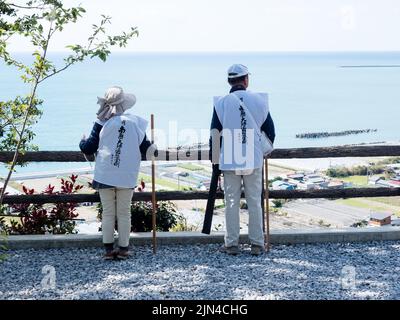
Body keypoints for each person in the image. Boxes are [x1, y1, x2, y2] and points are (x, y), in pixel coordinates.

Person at [79, 86, 156, 260]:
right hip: (126, 175)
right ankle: (123, 249)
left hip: (105, 174)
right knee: (124, 213)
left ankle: (108, 250)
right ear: (123, 105)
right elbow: (148, 149)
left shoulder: (100, 123)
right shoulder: (134, 123)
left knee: (107, 212)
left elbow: (88, 147)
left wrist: (81, 141)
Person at [209, 64, 275, 256]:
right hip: (253, 157)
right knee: (254, 201)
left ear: (229, 81)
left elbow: (215, 134)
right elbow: (270, 132)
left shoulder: (221, 103)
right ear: (246, 79)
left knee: (231, 201)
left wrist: (215, 162)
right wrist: (262, 151)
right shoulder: (260, 101)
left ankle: (231, 244)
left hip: (229, 158)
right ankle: (257, 244)